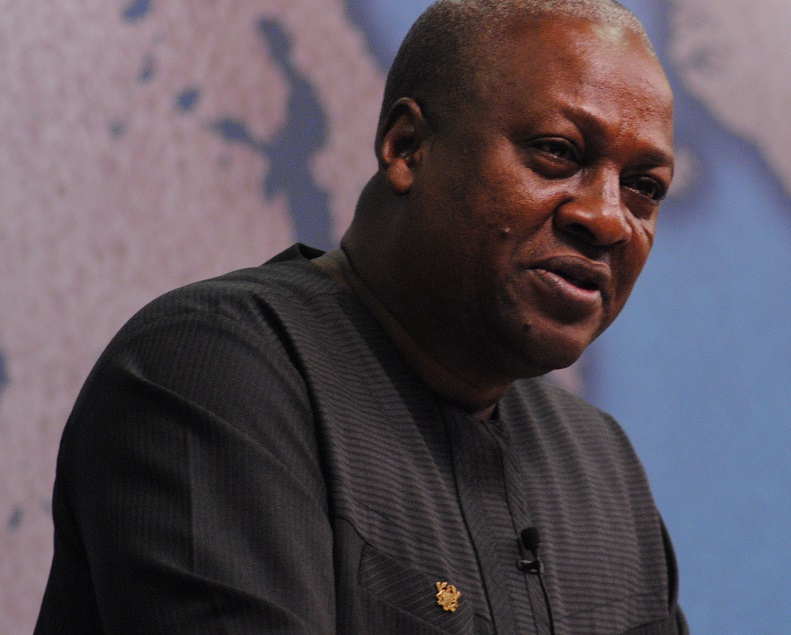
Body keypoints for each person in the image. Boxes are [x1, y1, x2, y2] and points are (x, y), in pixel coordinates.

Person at [36, 0, 687, 632]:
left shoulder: (602, 468)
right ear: (408, 147)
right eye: (557, 151)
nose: (607, 218)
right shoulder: (211, 374)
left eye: (643, 188)